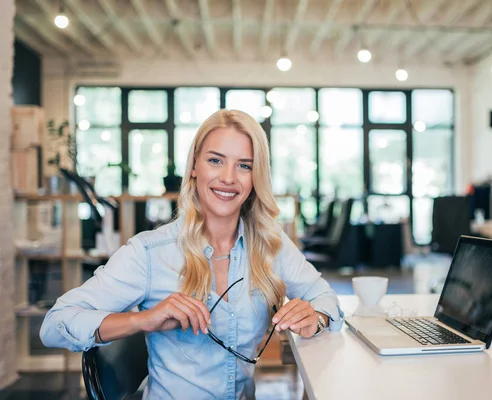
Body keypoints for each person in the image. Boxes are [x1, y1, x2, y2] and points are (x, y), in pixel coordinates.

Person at [40, 109, 344, 399]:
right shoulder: (150, 252)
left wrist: (314, 317)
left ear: (255, 178)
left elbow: (327, 300)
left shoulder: (270, 243)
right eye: (215, 160)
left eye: (244, 165)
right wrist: (143, 320)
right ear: (195, 166)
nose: (228, 177)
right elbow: (55, 324)